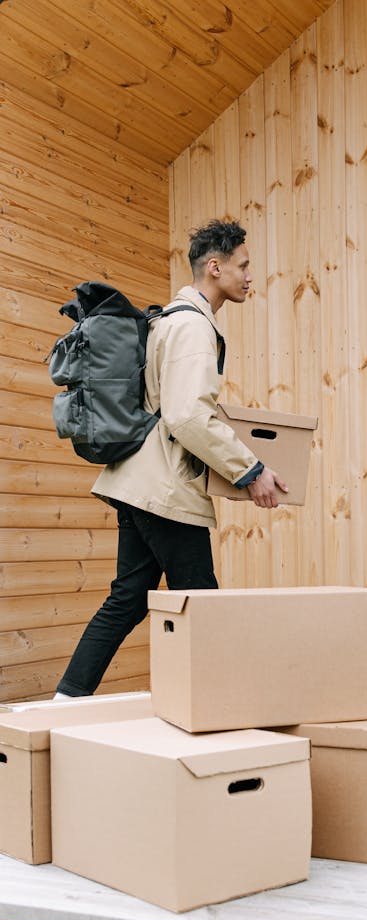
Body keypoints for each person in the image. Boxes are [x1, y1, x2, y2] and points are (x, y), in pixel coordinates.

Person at [55, 219, 287, 699]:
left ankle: (65, 701)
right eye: (243, 266)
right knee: (201, 600)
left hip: (137, 480)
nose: (250, 276)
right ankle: (221, 711)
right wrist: (252, 470)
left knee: (127, 600)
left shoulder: (171, 321)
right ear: (215, 267)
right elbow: (186, 417)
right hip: (162, 489)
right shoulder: (191, 326)